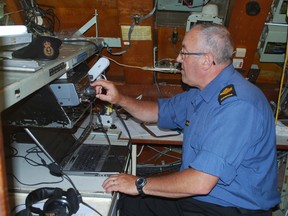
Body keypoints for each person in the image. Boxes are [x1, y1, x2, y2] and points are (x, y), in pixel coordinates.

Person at [91, 23, 280, 216]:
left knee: (132, 197)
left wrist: (139, 183)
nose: (178, 59)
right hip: (200, 197)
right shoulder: (202, 92)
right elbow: (157, 111)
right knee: (123, 204)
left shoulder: (237, 106)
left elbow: (200, 182)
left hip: (230, 207)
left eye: (184, 52)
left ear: (206, 61)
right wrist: (119, 99)